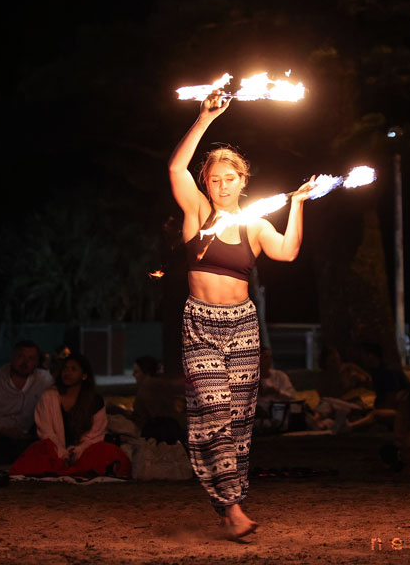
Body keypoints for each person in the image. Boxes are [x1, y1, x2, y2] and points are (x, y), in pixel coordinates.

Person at [168, 89, 315, 539]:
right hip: (201, 325)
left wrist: (299, 204)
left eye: (230, 178)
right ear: (206, 183)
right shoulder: (197, 212)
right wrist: (204, 118)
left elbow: (287, 252)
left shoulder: (254, 224)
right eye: (215, 179)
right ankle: (231, 509)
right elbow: (176, 168)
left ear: (242, 180)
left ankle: (228, 501)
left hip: (243, 328)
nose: (223, 185)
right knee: (214, 411)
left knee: (237, 419)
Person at [9, 353, 131, 478]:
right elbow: (45, 431)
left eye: (73, 369)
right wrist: (62, 453)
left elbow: (96, 433)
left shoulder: (94, 400)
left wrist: (78, 451)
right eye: (65, 368)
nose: (67, 373)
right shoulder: (49, 397)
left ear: (84, 375)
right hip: (55, 450)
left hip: (84, 451)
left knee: (105, 451)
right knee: (40, 451)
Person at [131, 355, 186, 445]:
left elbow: (149, 416)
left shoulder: (147, 388)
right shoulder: (162, 385)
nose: (133, 375)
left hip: (156, 434)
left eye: (136, 372)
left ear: (146, 372)